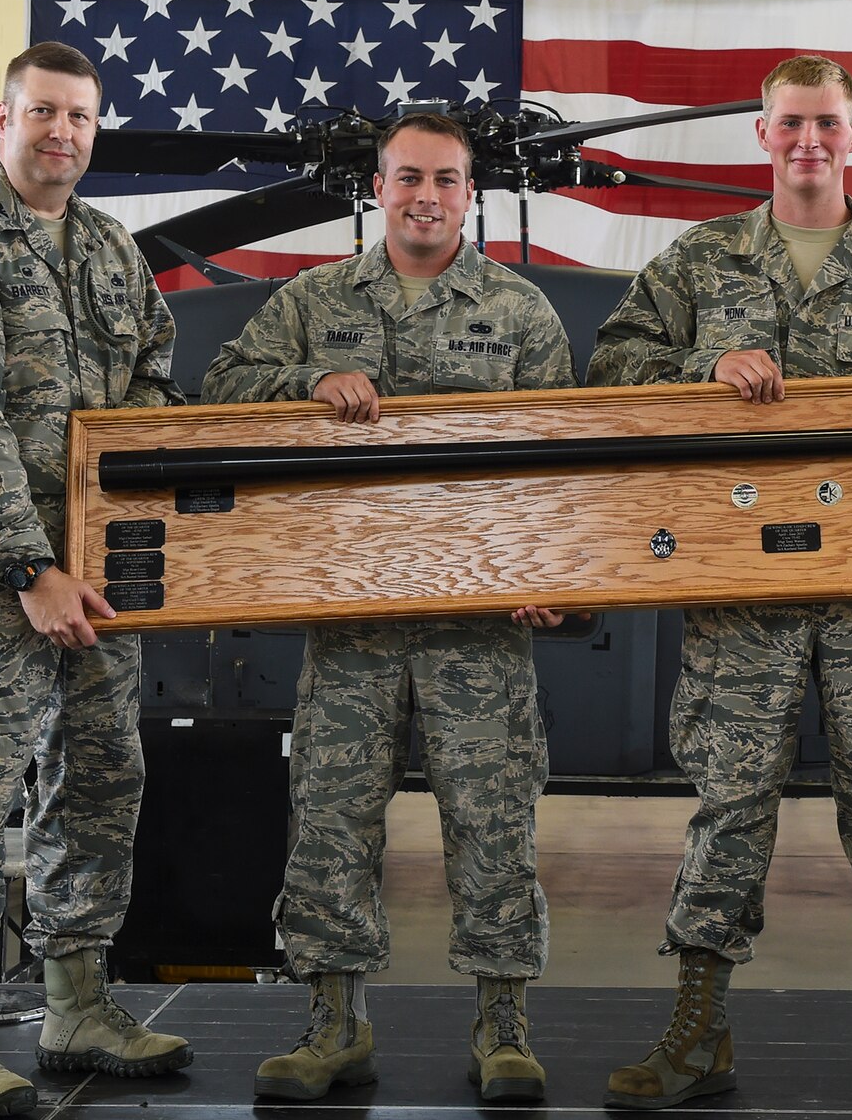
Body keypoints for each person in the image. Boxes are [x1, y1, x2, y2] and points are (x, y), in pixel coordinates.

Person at [588, 54, 852, 1116]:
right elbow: (609, 370)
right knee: (726, 812)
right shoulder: (699, 261)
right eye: (789, 124)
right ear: (759, 135)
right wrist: (703, 368)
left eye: (825, 124)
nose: (807, 141)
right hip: (743, 600)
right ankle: (696, 1030)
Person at [202, 112, 575, 1105]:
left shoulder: (520, 310)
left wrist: (550, 576)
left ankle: (503, 1026)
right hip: (353, 627)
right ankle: (333, 1023)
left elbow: (565, 466)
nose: (425, 196)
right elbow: (224, 385)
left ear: (469, 194)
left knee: (494, 827)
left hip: (479, 632)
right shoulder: (315, 300)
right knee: (330, 822)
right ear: (377, 186)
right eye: (407, 176)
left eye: (445, 180)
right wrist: (307, 378)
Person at [0, 41, 188, 1119]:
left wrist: (117, 542)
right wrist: (30, 567)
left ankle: (75, 1001)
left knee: (100, 787)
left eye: (82, 118)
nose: (64, 133)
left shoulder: (111, 249)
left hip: (99, 585)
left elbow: (152, 377)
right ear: (3, 119)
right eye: (45, 113)